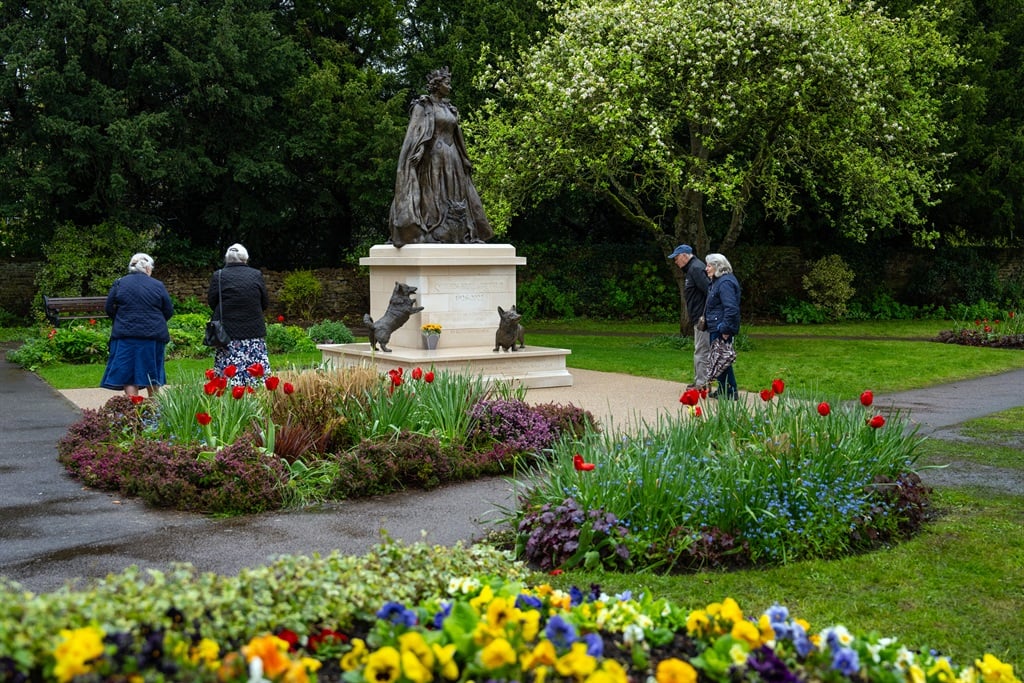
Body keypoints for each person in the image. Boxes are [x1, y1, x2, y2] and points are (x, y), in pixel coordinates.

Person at [388, 67, 494, 247]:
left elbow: (456, 133)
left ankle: (458, 230)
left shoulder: (450, 108)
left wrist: (464, 156)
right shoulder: (424, 106)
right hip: (434, 155)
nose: (449, 87)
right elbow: (414, 133)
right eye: (446, 83)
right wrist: (419, 149)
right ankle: (433, 228)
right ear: (437, 86)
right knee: (434, 191)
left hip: (453, 156)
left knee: (456, 191)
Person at [100, 253, 174, 398]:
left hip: (125, 336)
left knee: (128, 374)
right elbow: (168, 310)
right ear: (147, 268)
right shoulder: (158, 285)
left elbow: (109, 308)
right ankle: (154, 407)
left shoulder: (119, 283)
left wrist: (121, 319)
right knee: (152, 372)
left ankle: (133, 408)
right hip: (152, 337)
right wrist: (156, 322)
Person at [208, 244, 270, 386]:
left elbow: (212, 302)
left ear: (227, 259)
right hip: (253, 333)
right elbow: (264, 302)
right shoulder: (256, 275)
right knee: (256, 376)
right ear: (245, 258)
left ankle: (231, 403)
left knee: (229, 376)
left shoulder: (219, 275)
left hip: (227, 334)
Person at [668, 244, 711, 388]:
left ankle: (701, 383)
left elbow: (709, 291)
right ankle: (702, 381)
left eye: (677, 258)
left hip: (702, 318)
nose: (675, 261)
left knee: (701, 350)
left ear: (685, 256)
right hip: (699, 316)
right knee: (702, 349)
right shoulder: (693, 269)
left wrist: (704, 315)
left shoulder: (696, 269)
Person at [703, 253, 741, 399]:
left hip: (721, 327)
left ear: (718, 266)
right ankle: (724, 389)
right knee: (719, 358)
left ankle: (730, 390)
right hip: (716, 325)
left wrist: (725, 328)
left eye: (709, 265)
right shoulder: (718, 281)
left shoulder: (725, 283)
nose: (706, 268)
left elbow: (731, 308)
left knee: (722, 359)